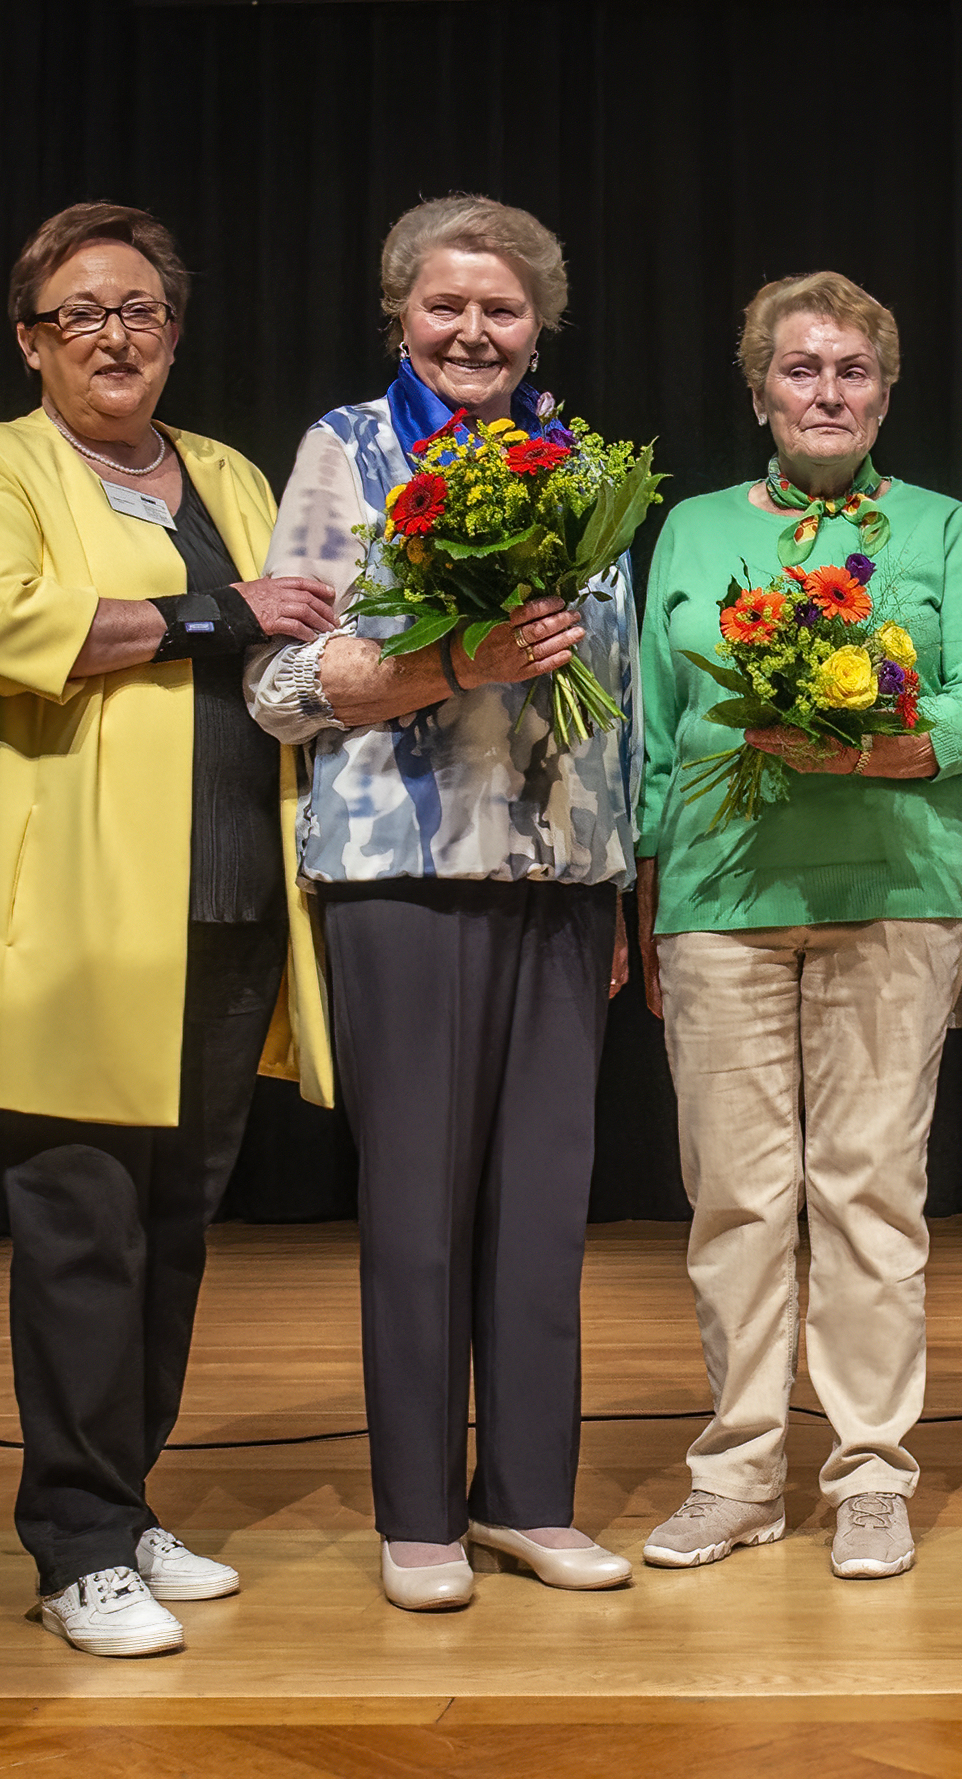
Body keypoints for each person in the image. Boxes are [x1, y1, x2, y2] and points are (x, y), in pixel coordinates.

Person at [0, 202, 339, 1655]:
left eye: (140, 307)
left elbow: (311, 638)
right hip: (77, 919)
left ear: (174, 329)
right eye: (81, 312)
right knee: (79, 1231)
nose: (114, 333)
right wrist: (217, 612)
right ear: (30, 340)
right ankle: (75, 1541)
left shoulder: (222, 470)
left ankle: (127, 1497)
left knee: (173, 1227)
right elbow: (5, 626)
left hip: (226, 911)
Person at [248, 193, 637, 1612]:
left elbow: (625, 695)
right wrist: (452, 660)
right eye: (446, 304)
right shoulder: (344, 451)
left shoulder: (586, 467)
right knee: (416, 1210)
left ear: (541, 323)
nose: (474, 330)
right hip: (399, 875)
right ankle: (417, 1513)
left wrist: (622, 872)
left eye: (504, 308)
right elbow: (283, 688)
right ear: (401, 310)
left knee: (543, 1207)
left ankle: (528, 1498)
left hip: (562, 882)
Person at [631, 271, 962, 1582]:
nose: (828, 391)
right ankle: (735, 1474)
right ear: (758, 393)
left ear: (886, 396)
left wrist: (877, 752)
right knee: (736, 1198)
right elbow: (650, 727)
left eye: (853, 371)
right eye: (803, 369)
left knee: (867, 1194)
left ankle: (867, 1474)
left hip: (894, 895)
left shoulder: (941, 529)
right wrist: (644, 884)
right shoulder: (685, 533)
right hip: (720, 904)